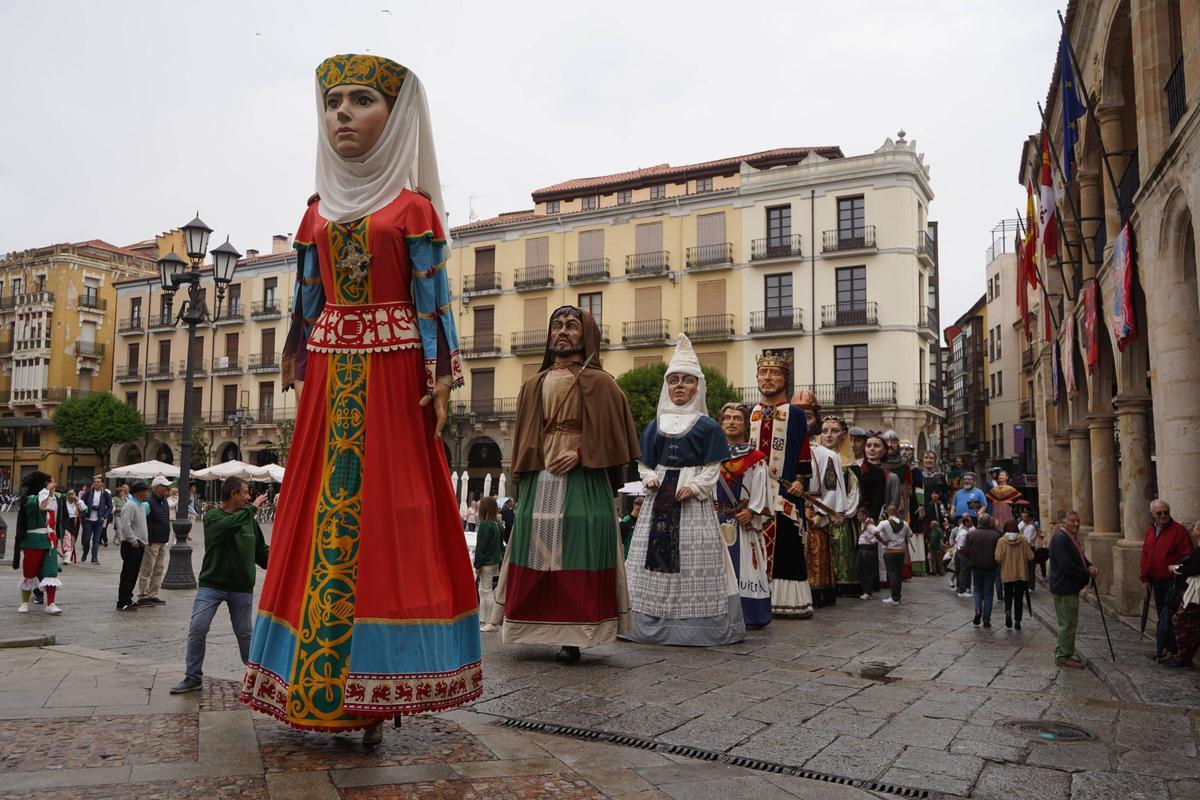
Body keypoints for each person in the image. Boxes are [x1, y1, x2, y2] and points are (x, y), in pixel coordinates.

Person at [241, 55, 482, 744]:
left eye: (360, 100)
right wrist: (294, 357)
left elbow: (435, 301)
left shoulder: (414, 209)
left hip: (394, 374)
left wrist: (442, 378)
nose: (340, 113)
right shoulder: (316, 212)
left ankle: (378, 686)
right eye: (332, 101)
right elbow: (306, 299)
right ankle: (314, 686)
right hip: (327, 375)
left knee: (384, 517)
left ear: (397, 115)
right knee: (317, 513)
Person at [492, 306, 639, 663]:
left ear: (585, 335)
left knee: (578, 547)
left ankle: (575, 634)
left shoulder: (604, 384)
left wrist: (581, 452)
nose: (562, 331)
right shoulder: (533, 383)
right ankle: (532, 625)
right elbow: (527, 435)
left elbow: (617, 437)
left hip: (582, 479)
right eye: (557, 325)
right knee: (532, 549)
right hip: (540, 478)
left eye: (572, 326)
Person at [625, 335, 742, 646]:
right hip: (659, 498)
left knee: (693, 561)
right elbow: (645, 462)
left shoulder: (709, 427)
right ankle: (648, 620)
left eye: (686, 381)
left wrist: (695, 486)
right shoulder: (655, 425)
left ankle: (695, 627)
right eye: (674, 380)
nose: (679, 386)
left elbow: (713, 468)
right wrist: (649, 477)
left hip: (693, 504)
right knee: (653, 560)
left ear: (697, 386)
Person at [171, 477, 269, 695]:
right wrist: (251, 509)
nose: (249, 497)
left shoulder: (249, 520)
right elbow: (227, 527)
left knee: (245, 634)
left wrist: (281, 564)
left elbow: (261, 551)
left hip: (241, 587)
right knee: (198, 628)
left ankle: (256, 679)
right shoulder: (214, 517)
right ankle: (193, 677)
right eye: (245, 493)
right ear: (233, 493)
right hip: (212, 585)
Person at [747, 351, 813, 618]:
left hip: (783, 493)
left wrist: (800, 480)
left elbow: (803, 451)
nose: (768, 378)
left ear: (785, 379)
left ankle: (788, 601)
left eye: (774, 373)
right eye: (763, 373)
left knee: (786, 545)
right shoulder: (749, 413)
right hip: (752, 495)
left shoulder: (795, 414)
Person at [716, 402, 772, 628]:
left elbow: (763, 489)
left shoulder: (756, 458)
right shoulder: (711, 456)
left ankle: (750, 615)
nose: (731, 422)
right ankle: (720, 613)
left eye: (737, 418)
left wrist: (752, 511)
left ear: (745, 425)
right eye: (727, 418)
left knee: (747, 564)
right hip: (717, 521)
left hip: (743, 522)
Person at [790, 389, 846, 608]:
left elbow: (831, 488)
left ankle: (816, 594)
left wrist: (822, 514)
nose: (803, 421)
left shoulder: (828, 455)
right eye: (798, 415)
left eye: (808, 416)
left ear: (816, 419)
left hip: (814, 511)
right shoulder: (785, 451)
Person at [1140, 499, 1194, 661]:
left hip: (1172, 581)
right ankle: (1163, 647)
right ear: (1153, 514)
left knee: (1170, 616)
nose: (1163, 516)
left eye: (1166, 512)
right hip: (1156, 580)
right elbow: (1146, 554)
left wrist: (1179, 572)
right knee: (1162, 615)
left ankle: (1173, 650)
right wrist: (1144, 578)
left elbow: (1187, 555)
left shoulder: (1179, 530)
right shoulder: (1151, 531)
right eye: (1159, 513)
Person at [817, 416, 861, 596]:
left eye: (834, 431)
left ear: (843, 435)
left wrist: (844, 512)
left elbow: (853, 492)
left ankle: (843, 585)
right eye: (825, 431)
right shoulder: (815, 457)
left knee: (840, 553)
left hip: (839, 518)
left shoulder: (849, 466)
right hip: (818, 514)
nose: (828, 436)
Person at [1049, 509, 1096, 668]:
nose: (1076, 523)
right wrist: (1085, 572)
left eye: (1077, 520)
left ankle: (1063, 650)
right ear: (1063, 522)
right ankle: (1063, 656)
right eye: (1072, 521)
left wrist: (1089, 566)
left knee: (1068, 621)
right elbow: (1067, 565)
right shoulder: (1061, 539)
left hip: (1066, 586)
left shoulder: (1069, 537)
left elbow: (1079, 558)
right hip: (1064, 586)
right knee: (1068, 623)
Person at [13, 472, 63, 614]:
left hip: (50, 541)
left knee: (51, 573)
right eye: (51, 482)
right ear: (43, 485)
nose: (55, 485)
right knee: (29, 572)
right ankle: (24, 602)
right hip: (33, 541)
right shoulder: (30, 500)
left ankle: (51, 603)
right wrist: (46, 491)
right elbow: (40, 505)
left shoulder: (54, 498)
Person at [1164, 522, 1200, 669]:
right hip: (1192, 589)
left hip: (1196, 591)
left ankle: (1184, 657)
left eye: (1196, 527)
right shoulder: (1197, 549)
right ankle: (1183, 656)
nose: (1193, 529)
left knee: (1183, 622)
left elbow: (1194, 567)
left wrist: (1176, 569)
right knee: (1186, 622)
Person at [137, 476, 172, 606]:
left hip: (162, 540)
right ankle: (142, 595)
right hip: (152, 541)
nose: (167, 488)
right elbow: (141, 521)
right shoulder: (148, 502)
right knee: (147, 569)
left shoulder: (164, 501)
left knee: (158, 568)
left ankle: (152, 594)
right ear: (157, 488)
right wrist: (147, 538)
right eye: (164, 486)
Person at [965, 512, 1003, 627]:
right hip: (991, 567)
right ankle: (986, 619)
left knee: (977, 589)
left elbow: (966, 551)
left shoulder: (971, 534)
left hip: (976, 566)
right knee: (989, 593)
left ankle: (977, 610)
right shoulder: (996, 535)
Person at [995, 519, 1034, 630]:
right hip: (1021, 574)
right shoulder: (1024, 540)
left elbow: (997, 558)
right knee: (1018, 597)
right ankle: (1018, 620)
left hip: (1007, 574)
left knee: (1007, 595)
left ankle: (1008, 612)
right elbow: (1030, 556)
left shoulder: (1001, 541)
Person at [117, 481, 150, 612]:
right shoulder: (130, 505)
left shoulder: (140, 505)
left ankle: (128, 598)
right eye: (146, 491)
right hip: (132, 545)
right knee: (127, 574)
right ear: (139, 492)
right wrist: (133, 541)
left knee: (133, 574)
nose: (147, 493)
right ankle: (123, 601)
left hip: (139, 544)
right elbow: (125, 525)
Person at [473, 496, 504, 633]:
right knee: (484, 590)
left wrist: (477, 564)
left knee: (486, 591)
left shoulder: (485, 524)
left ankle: (491, 622)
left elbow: (481, 547)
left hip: (486, 561)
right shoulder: (497, 523)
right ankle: (483, 619)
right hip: (494, 561)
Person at [871, 506, 910, 605]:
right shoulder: (904, 523)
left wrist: (883, 542)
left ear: (888, 512)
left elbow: (875, 532)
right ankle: (897, 596)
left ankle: (894, 597)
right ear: (896, 512)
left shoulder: (884, 523)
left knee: (892, 574)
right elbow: (910, 534)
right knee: (898, 574)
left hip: (890, 551)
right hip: (901, 551)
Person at [79, 477, 112, 564]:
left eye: (98, 482)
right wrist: (83, 515)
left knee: (96, 540)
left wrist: (105, 516)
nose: (96, 483)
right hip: (88, 519)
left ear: (102, 484)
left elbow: (110, 507)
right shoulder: (88, 493)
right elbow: (80, 503)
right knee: (86, 539)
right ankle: (85, 552)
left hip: (99, 520)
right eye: (95, 482)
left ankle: (94, 557)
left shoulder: (105, 494)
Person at [856, 509, 880, 599]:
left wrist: (872, 540)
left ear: (865, 515)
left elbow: (878, 533)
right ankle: (865, 590)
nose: (858, 518)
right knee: (860, 570)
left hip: (867, 549)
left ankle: (868, 592)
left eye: (860, 515)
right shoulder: (862, 524)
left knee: (867, 571)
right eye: (857, 516)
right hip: (862, 549)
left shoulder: (869, 524)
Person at [953, 515, 974, 596]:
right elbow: (962, 545)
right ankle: (962, 590)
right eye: (970, 521)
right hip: (963, 554)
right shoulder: (964, 532)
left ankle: (961, 588)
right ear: (966, 522)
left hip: (960, 553)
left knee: (961, 571)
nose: (971, 522)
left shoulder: (963, 530)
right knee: (963, 572)